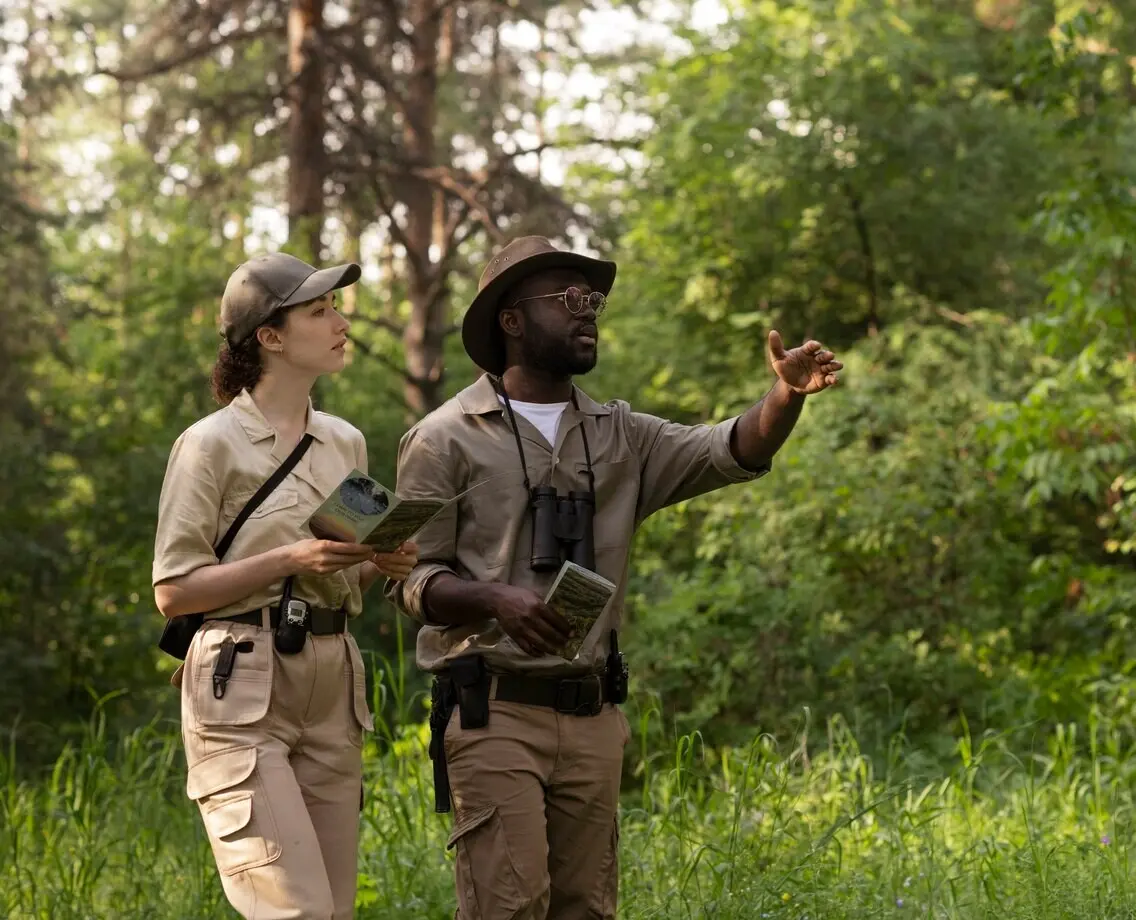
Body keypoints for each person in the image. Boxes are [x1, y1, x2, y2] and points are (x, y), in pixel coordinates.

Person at [386, 236, 843, 919]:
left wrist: (785, 395)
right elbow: (409, 581)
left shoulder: (620, 435)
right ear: (510, 321)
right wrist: (493, 598)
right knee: (509, 905)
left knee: (588, 910)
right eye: (567, 298)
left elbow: (730, 447)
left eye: (593, 299)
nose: (587, 312)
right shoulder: (444, 437)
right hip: (491, 709)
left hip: (592, 714)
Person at [151, 251, 419, 919]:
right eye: (318, 311)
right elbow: (175, 591)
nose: (339, 323)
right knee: (294, 912)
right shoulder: (209, 445)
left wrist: (381, 559)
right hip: (241, 680)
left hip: (333, 681)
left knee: (334, 910)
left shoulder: (346, 442)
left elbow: (339, 567)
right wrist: (287, 558)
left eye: (336, 309)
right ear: (269, 336)